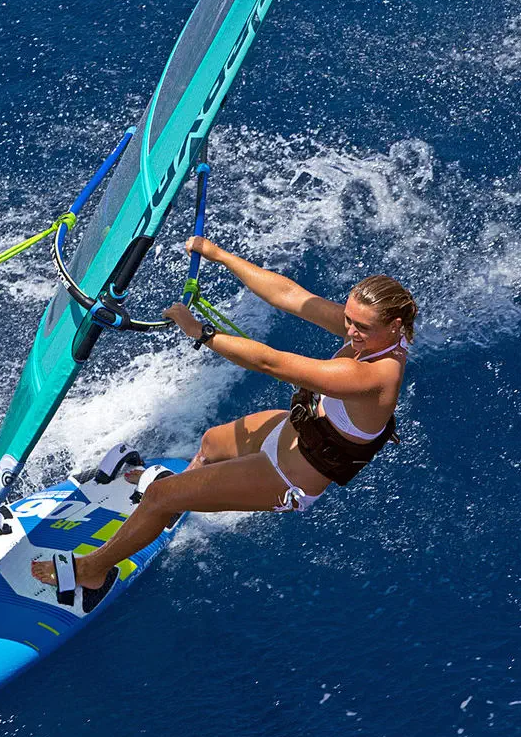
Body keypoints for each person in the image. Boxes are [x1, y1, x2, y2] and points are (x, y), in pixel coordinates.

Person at [31, 236, 418, 604]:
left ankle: (92, 570)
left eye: (360, 327)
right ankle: (175, 505)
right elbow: (292, 296)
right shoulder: (374, 331)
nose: (350, 331)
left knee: (159, 495)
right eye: (348, 319)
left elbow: (274, 363)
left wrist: (202, 333)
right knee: (212, 443)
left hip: (289, 476)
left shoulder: (376, 375)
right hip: (292, 431)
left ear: (395, 326)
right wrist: (221, 256)